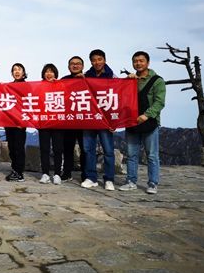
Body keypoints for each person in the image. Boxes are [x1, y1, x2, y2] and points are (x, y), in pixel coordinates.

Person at [119, 51, 166, 194]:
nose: (138, 63)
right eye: (135, 61)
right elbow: (121, 98)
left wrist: (146, 115)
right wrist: (127, 82)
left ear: (148, 62)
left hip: (149, 123)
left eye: (141, 61)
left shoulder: (157, 80)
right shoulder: (130, 80)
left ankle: (153, 183)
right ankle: (131, 181)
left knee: (152, 155)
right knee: (131, 154)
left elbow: (159, 102)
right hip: (131, 122)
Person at [81, 49, 116, 191]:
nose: (97, 62)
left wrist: (115, 121)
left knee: (108, 150)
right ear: (91, 62)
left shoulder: (112, 76)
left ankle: (109, 179)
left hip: (106, 120)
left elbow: (118, 98)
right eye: (94, 60)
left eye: (99, 59)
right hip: (90, 119)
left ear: (105, 60)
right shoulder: (85, 76)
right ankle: (91, 178)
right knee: (88, 149)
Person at [38, 64, 65, 185]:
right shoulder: (39, 86)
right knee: (44, 148)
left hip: (57, 122)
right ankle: (45, 173)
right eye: (47, 71)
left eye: (51, 71)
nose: (49, 74)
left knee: (58, 149)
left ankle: (57, 174)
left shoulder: (61, 85)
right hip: (43, 122)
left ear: (55, 73)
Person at [61, 56, 86, 182]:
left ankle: (86, 174)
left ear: (82, 66)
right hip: (69, 120)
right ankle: (67, 172)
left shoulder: (89, 80)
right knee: (67, 148)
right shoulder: (63, 80)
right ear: (68, 67)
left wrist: (85, 80)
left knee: (85, 149)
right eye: (72, 64)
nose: (75, 66)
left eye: (78, 63)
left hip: (85, 120)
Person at [5, 63, 27, 182]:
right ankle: (14, 169)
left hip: (20, 123)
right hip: (9, 122)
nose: (17, 71)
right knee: (12, 147)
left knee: (19, 147)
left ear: (23, 72)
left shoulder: (27, 86)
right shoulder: (9, 86)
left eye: (19, 69)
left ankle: (19, 172)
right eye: (14, 70)